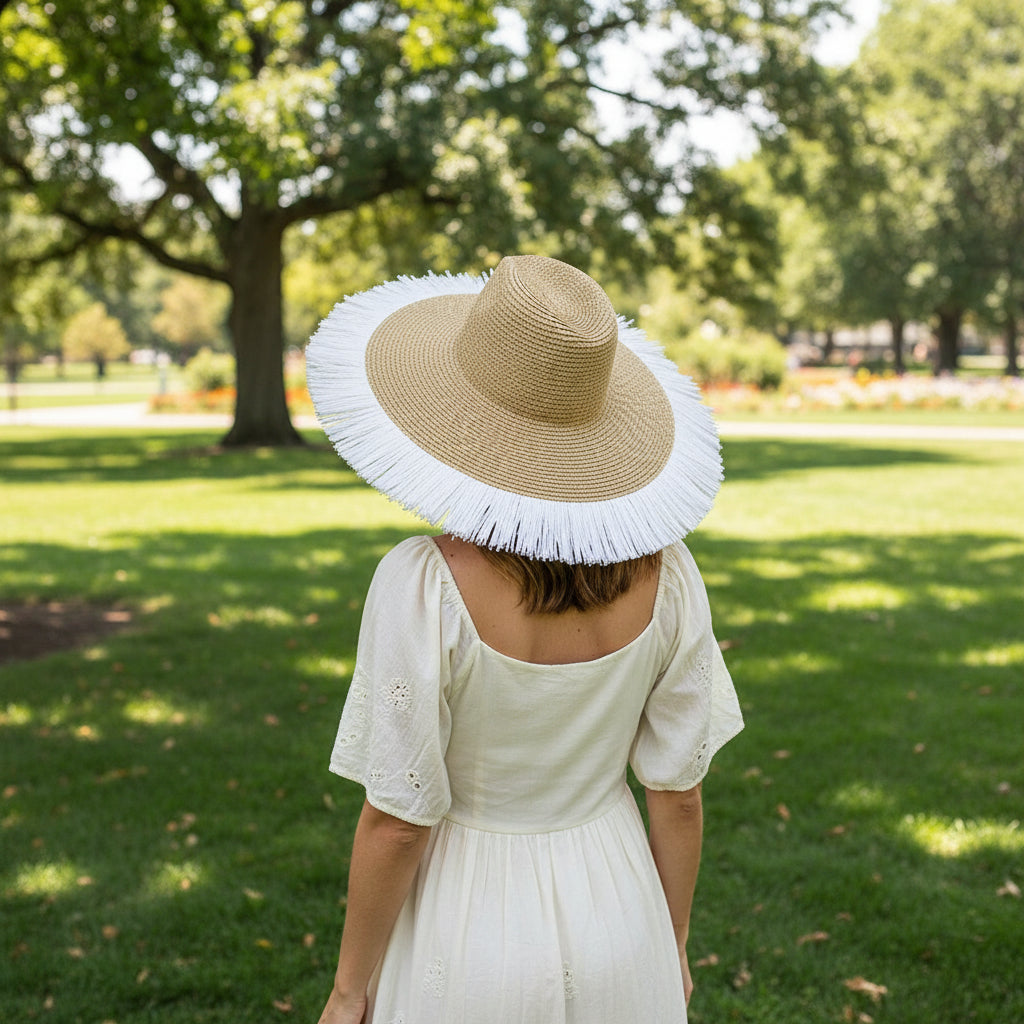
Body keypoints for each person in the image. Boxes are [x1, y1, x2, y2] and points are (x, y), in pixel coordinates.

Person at [305, 255, 744, 1024]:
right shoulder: (668, 576)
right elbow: (679, 795)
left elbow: (399, 820)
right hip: (621, 913)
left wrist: (349, 991)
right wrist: (670, 942)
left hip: (466, 927)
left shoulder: (424, 584)